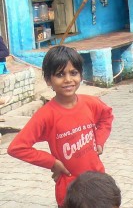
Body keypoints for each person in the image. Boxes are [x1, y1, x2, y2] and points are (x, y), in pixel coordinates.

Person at [7, 45, 114, 207]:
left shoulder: (91, 103)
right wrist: (52, 162)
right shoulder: (46, 115)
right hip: (69, 188)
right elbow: (17, 147)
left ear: (81, 75)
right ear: (48, 80)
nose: (68, 80)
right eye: (60, 74)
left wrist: (99, 141)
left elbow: (107, 117)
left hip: (96, 182)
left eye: (73, 73)